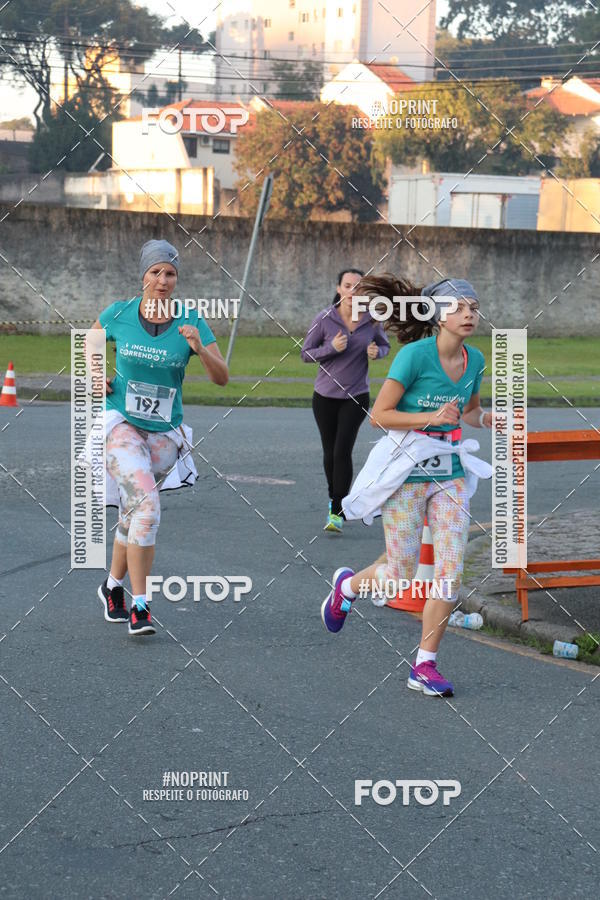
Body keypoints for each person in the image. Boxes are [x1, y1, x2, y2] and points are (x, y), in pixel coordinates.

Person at [321, 275, 494, 697]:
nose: (468, 313)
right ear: (436, 315)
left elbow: (469, 412)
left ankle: (425, 666)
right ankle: (346, 587)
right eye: (458, 307)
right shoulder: (415, 357)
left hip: (449, 474)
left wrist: (489, 419)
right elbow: (380, 414)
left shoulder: (476, 360)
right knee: (399, 576)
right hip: (406, 474)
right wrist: (429, 420)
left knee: (449, 574)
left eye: (472, 306)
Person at [90, 239, 228, 636]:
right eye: (155, 272)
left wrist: (199, 348)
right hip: (121, 423)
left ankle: (111, 587)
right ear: (143, 275)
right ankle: (141, 605)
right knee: (147, 510)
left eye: (170, 273)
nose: (163, 280)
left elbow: (222, 378)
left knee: (133, 513)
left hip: (166, 433)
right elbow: (91, 341)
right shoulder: (120, 313)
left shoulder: (192, 321)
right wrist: (98, 373)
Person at [301, 268, 390, 533]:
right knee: (330, 453)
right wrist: (331, 349)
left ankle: (337, 510)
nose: (354, 291)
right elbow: (306, 354)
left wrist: (378, 352)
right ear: (339, 289)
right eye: (349, 286)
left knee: (342, 451)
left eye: (360, 287)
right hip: (324, 397)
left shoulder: (373, 319)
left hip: (356, 395)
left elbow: (385, 346)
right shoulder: (325, 318)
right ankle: (334, 498)